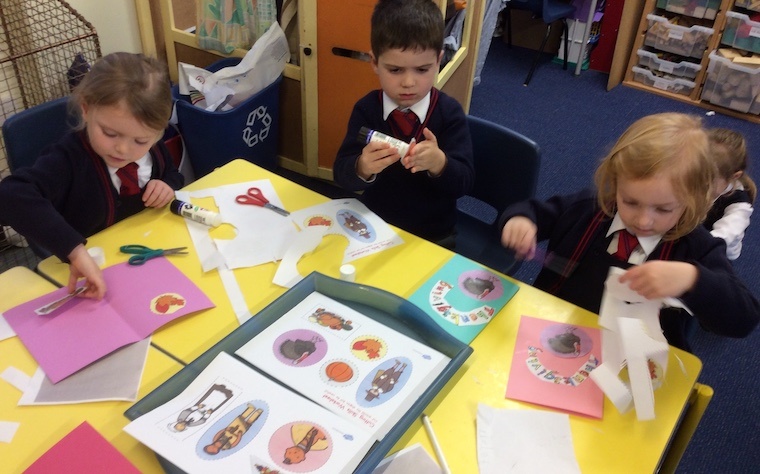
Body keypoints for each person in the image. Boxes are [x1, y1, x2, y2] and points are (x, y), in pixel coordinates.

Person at [499, 113, 759, 351]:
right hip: (554, 332)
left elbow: (744, 318)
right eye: (631, 202)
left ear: (692, 199)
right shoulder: (588, 208)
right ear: (615, 183)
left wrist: (692, 279)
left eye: (663, 209)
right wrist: (521, 220)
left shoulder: (695, 246)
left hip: (635, 357)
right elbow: (532, 211)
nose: (643, 220)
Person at [0, 52, 184, 300]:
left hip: (145, 252)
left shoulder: (153, 148)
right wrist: (74, 251)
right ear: (86, 109)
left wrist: (168, 184)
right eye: (110, 133)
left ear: (159, 131)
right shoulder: (68, 160)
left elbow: (172, 173)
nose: (123, 149)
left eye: (140, 141)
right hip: (87, 266)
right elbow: (10, 196)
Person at [332, 0, 474, 248]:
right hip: (376, 228)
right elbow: (341, 174)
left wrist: (440, 163)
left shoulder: (449, 113)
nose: (408, 82)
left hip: (434, 235)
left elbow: (464, 183)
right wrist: (362, 167)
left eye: (422, 69)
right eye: (395, 70)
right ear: (374, 62)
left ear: (438, 61)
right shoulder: (367, 109)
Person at [703, 128, 755, 260]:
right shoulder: (706, 180)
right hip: (699, 230)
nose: (699, 187)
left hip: (721, 248)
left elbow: (723, 236)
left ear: (734, 176)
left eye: (707, 184)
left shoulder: (740, 206)